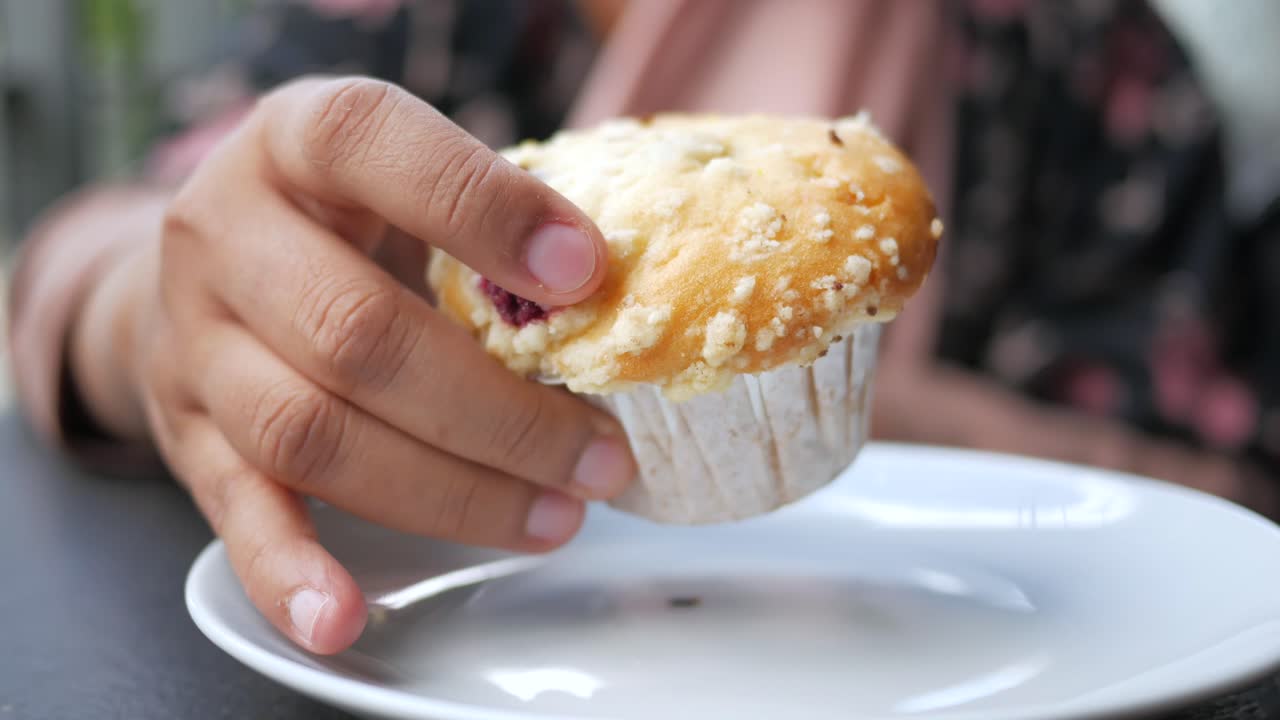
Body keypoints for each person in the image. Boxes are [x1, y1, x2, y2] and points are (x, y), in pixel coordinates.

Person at [8, 0, 1280, 655]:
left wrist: (837, 395)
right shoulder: (402, 16)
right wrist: (148, 313)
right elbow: (106, 241)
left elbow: (1223, 513)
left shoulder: (1080, 53)